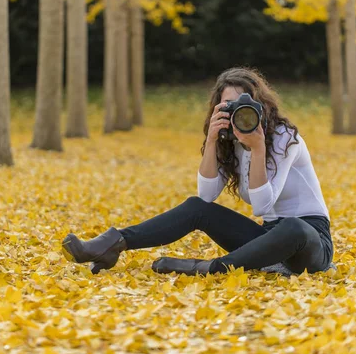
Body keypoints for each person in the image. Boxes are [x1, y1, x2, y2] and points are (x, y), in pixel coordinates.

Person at [61, 67, 334, 276]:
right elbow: (205, 196)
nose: (238, 112)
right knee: (196, 207)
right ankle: (113, 243)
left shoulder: (284, 137)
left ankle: (208, 267)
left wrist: (258, 149)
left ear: (260, 105)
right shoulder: (230, 142)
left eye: (244, 104)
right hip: (269, 242)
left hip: (310, 243)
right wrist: (213, 141)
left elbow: (262, 206)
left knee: (293, 226)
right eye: (229, 106)